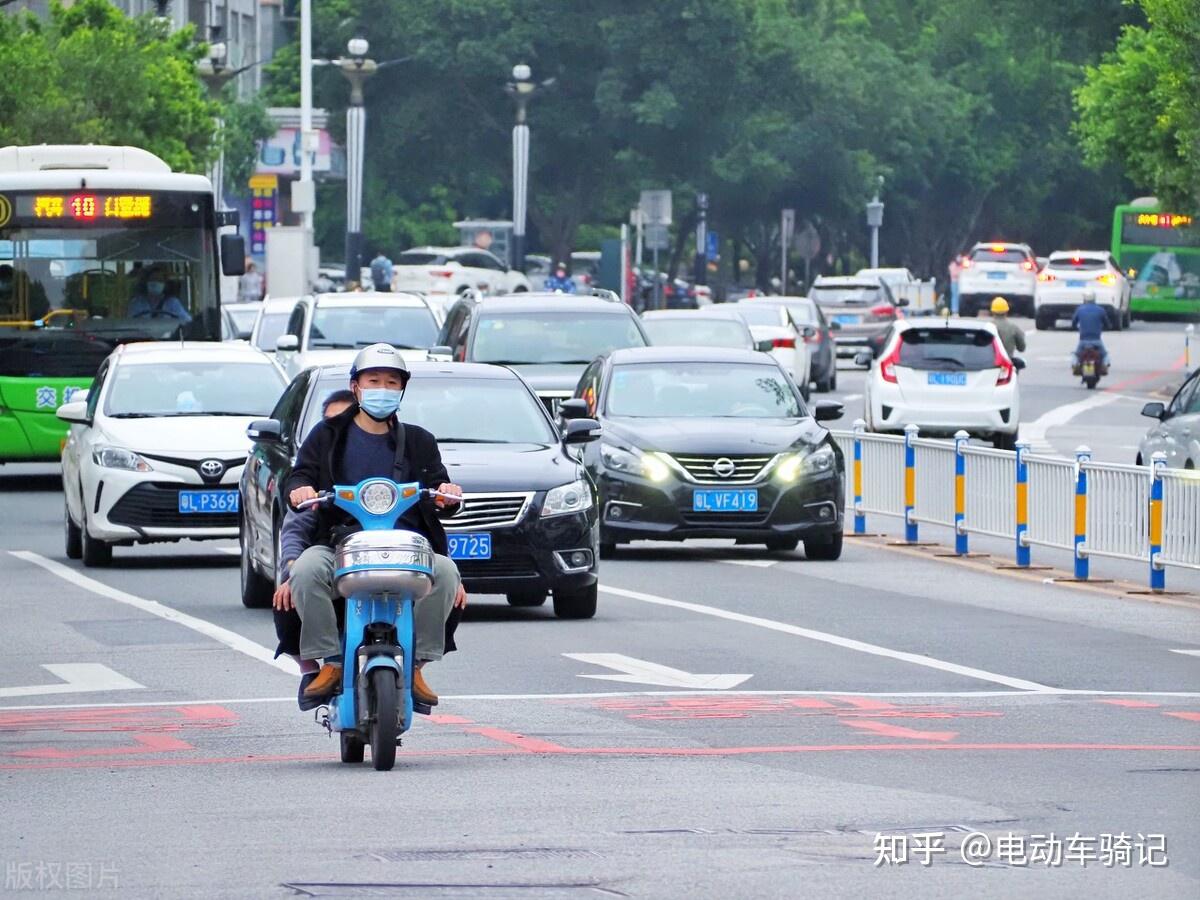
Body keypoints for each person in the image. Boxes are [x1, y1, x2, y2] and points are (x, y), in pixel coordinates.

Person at [285, 344, 465, 705]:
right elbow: (299, 475)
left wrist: (447, 494)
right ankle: (331, 660)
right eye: (374, 380)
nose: (382, 388)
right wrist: (299, 490)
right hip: (339, 545)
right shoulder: (327, 435)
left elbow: (440, 490)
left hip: (407, 549)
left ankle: (417, 665)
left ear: (401, 390)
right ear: (356, 387)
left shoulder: (420, 441)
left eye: (391, 382)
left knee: (445, 572)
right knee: (304, 571)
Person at [1071, 289, 1109, 368]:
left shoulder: (1079, 309)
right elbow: (1107, 323)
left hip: (1083, 341)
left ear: (1084, 299)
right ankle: (1105, 365)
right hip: (1097, 341)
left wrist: (1074, 327)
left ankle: (1074, 365)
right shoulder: (1100, 310)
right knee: (1105, 355)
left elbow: (1074, 322)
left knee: (1076, 355)